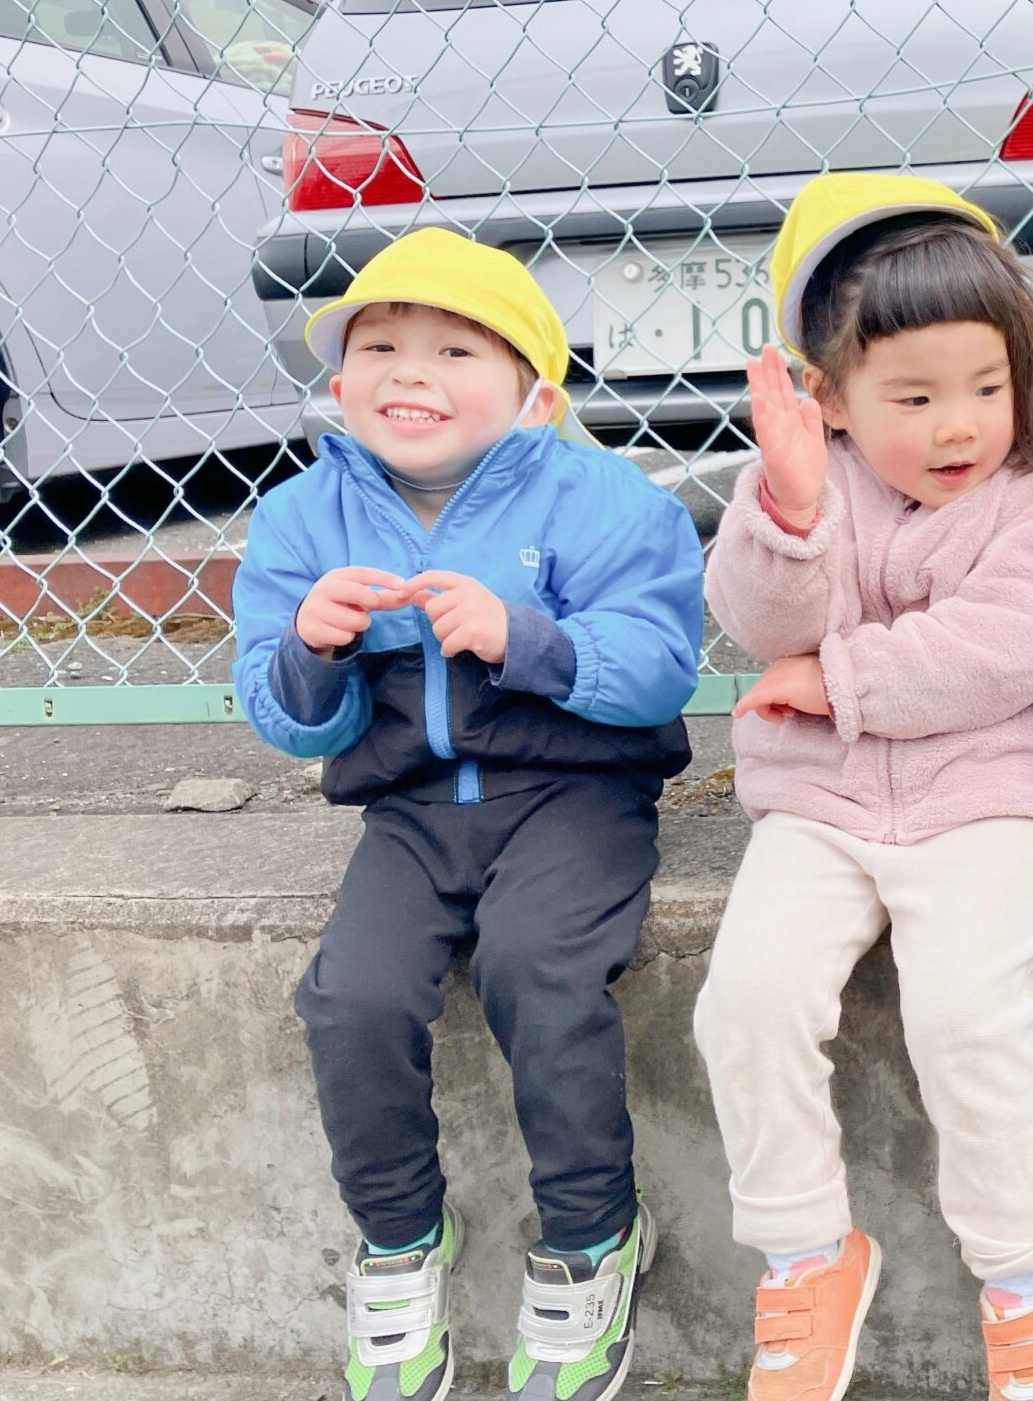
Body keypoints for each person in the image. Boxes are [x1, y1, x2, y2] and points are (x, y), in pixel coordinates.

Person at [232, 228, 704, 1401]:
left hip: (573, 799)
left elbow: (660, 669)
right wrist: (310, 651)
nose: (411, 371)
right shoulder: (304, 518)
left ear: (536, 395)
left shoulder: (605, 501)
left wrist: (524, 638)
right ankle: (400, 1239)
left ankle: (592, 1236)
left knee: (537, 970)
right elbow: (287, 721)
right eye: (378, 348)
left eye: (454, 350)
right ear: (339, 383)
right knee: (350, 996)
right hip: (409, 812)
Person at [693, 175, 1033, 1401]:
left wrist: (836, 678)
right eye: (914, 398)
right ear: (829, 395)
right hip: (823, 806)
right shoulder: (804, 476)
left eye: (986, 385)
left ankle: (1028, 1284)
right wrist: (789, 509)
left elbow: (1007, 648)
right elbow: (758, 620)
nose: (957, 426)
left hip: (995, 797)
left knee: (967, 1014)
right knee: (747, 998)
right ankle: (805, 1256)